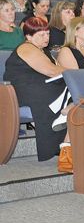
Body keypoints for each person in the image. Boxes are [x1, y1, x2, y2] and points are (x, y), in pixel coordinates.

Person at [3, 17, 67, 161]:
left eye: (48, 34)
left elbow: (57, 70)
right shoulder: (26, 47)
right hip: (21, 91)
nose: (47, 38)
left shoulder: (44, 50)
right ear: (29, 36)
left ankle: (65, 119)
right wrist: (77, 75)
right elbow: (52, 71)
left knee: (70, 89)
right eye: (42, 35)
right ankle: (63, 115)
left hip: (38, 87)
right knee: (69, 88)